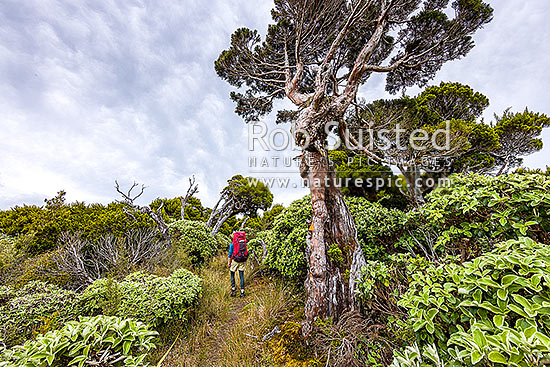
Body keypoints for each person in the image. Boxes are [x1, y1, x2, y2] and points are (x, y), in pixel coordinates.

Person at [228, 233, 246, 298]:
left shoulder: (232, 244)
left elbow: (230, 255)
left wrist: (229, 263)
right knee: (241, 276)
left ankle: (233, 291)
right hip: (242, 260)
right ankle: (242, 292)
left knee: (232, 274)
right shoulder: (244, 243)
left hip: (235, 260)